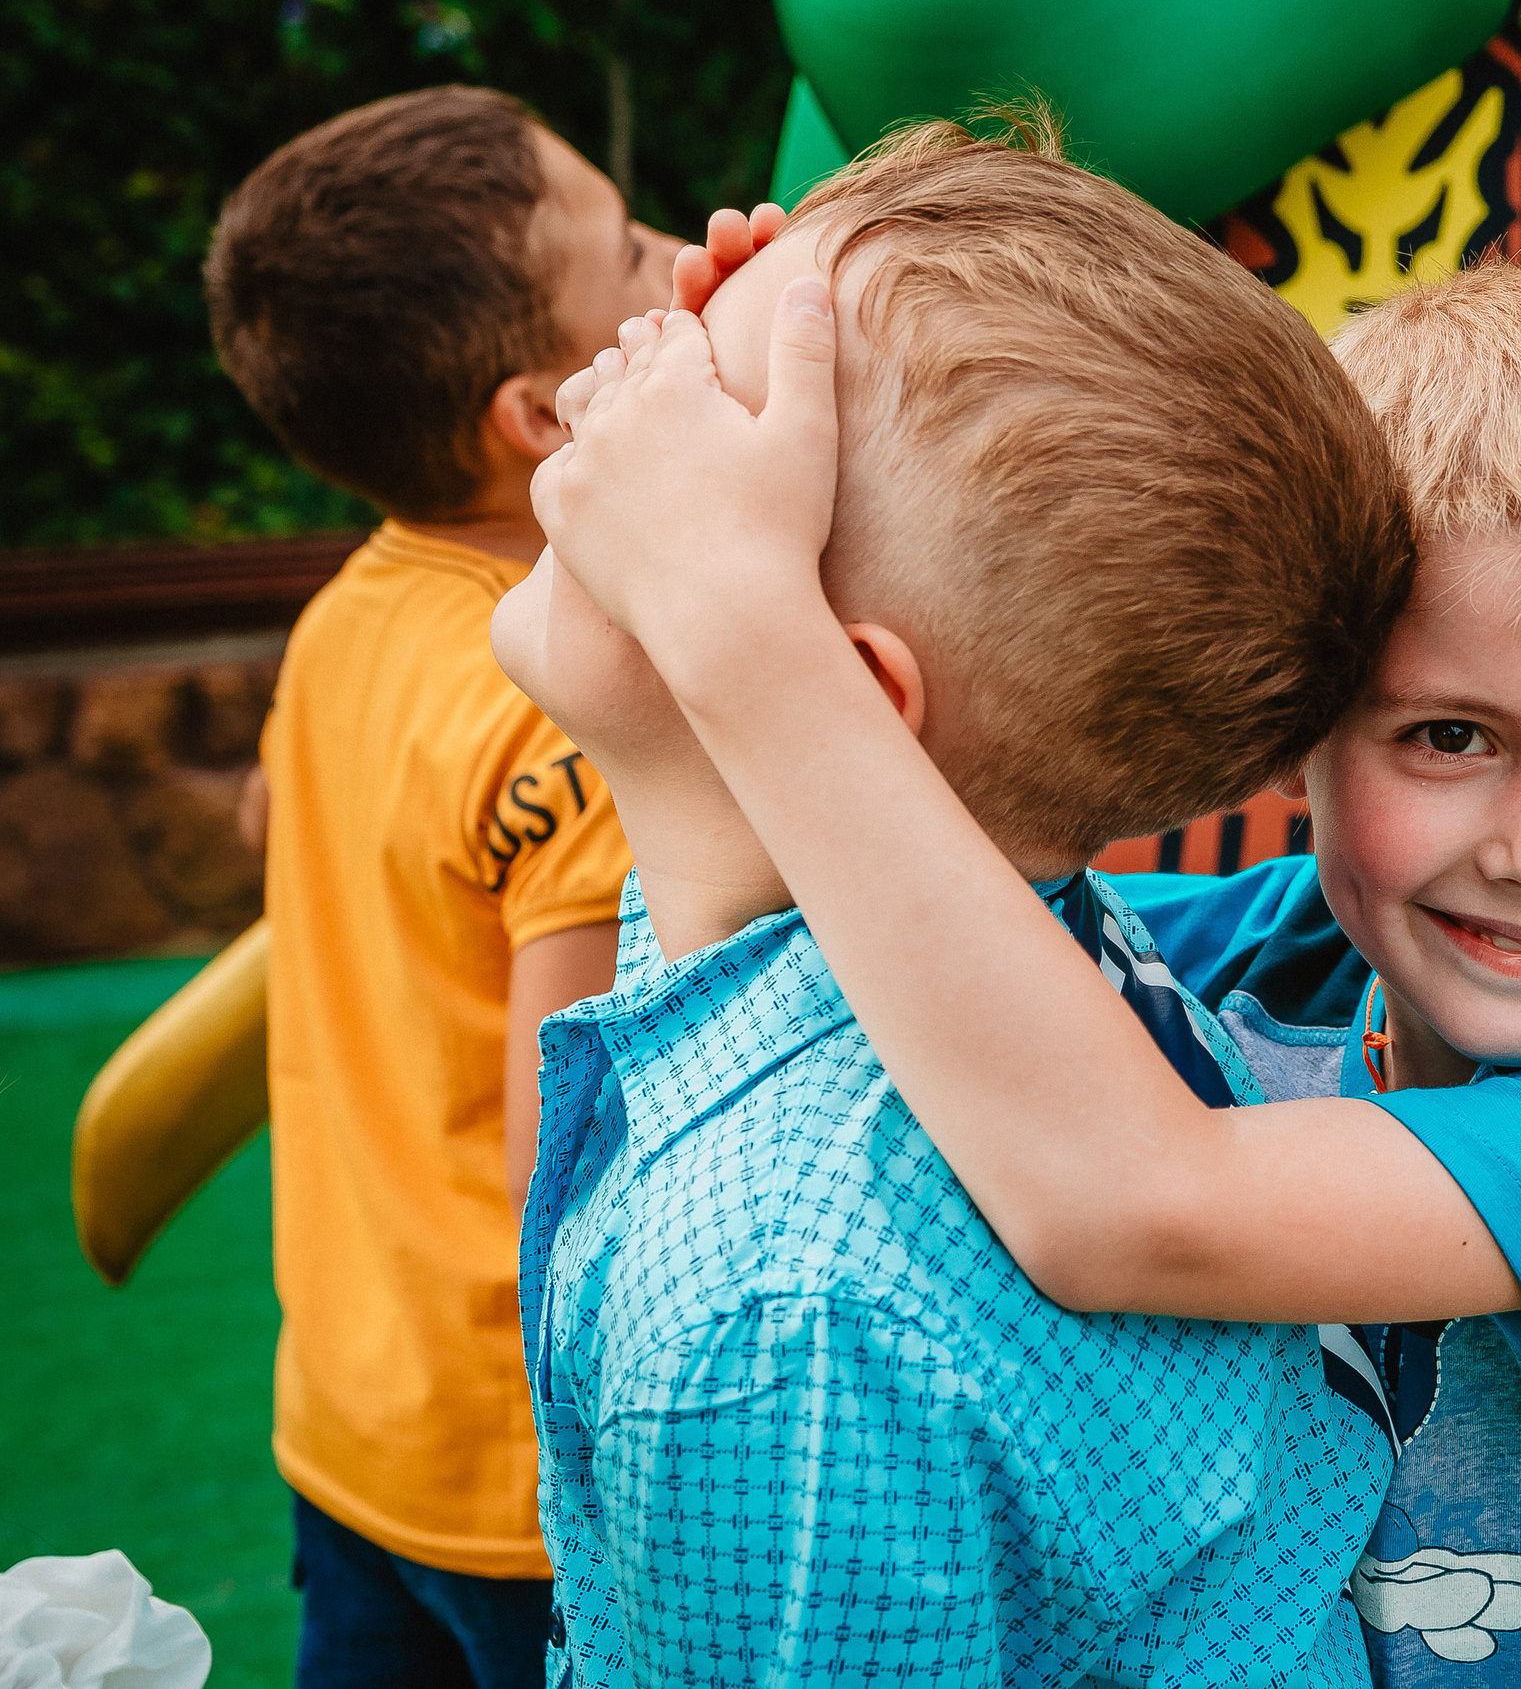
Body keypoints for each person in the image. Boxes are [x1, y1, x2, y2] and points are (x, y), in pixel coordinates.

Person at [547, 254, 1521, 1685]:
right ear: (1301, 735)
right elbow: (906, 890)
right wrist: (792, 335)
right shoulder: (1246, 959)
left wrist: (735, 615)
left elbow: (1132, 1198)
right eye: (1450, 737)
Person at [489, 113, 1413, 1685]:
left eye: (703, 406)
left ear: (821, 683)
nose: (619, 373)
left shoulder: (783, 1318)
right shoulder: (999, 959)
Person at [202, 86, 680, 1689]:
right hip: (516, 1474)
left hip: (346, 1414)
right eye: (632, 250)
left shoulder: (348, 616)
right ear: (540, 415)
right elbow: (577, 1134)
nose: (682, 253)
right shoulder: (573, 715)